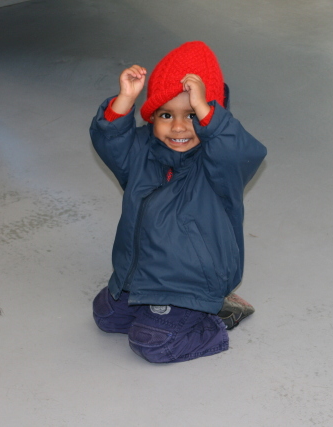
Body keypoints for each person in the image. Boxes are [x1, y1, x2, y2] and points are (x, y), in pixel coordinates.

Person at [89, 41, 266, 363]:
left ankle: (216, 317)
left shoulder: (220, 166)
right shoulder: (142, 151)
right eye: (166, 115)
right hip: (141, 272)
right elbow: (111, 143)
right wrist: (125, 100)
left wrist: (208, 112)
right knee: (106, 316)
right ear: (152, 117)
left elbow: (241, 152)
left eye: (193, 115)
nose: (179, 127)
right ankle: (158, 308)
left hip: (191, 281)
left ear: (210, 117)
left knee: (153, 344)